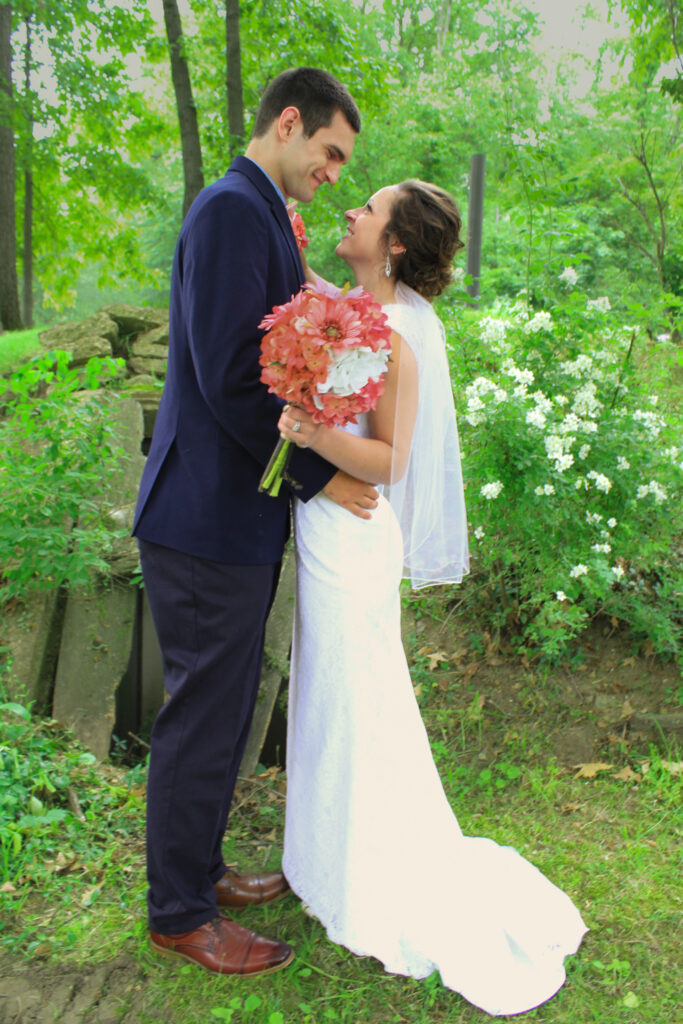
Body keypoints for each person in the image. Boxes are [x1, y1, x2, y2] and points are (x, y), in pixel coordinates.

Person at [276, 180, 588, 1016]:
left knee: (356, 700)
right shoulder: (336, 308)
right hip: (323, 530)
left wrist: (308, 438)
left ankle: (367, 870)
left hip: (355, 539)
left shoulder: (401, 330)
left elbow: (389, 463)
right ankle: (321, 858)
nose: (350, 211)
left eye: (368, 209)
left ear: (397, 244)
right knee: (328, 695)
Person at [132, 67, 380, 977]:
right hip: (201, 515)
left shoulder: (261, 211)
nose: (333, 174)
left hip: (230, 513)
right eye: (329, 152)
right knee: (203, 715)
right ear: (287, 122)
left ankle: (199, 870)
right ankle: (178, 912)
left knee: (226, 706)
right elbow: (234, 375)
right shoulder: (232, 210)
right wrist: (320, 476)